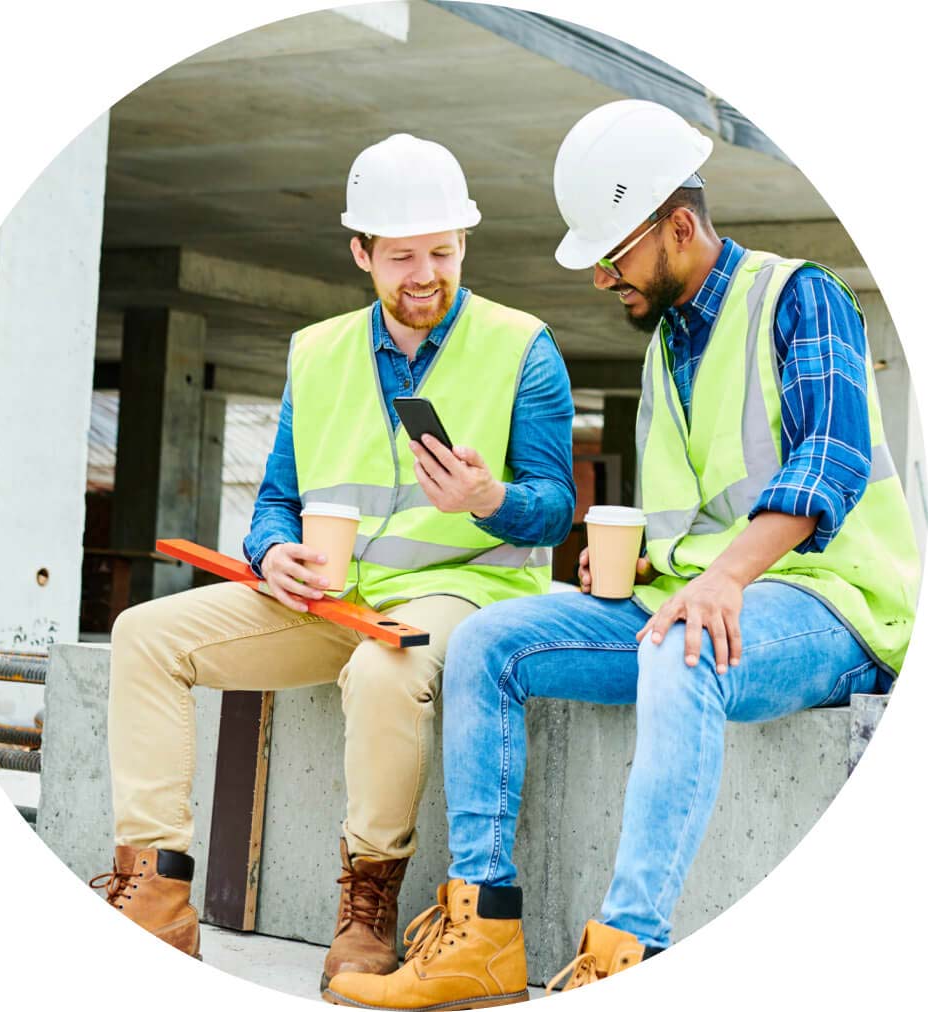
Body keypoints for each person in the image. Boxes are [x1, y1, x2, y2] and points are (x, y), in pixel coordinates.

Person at [323, 101, 920, 1010]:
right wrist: (648, 563)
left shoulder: (800, 297)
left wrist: (718, 579)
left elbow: (829, 459)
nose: (603, 279)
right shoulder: (667, 345)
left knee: (684, 651)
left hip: (835, 605)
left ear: (680, 226)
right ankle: (482, 928)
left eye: (615, 255)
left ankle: (628, 955)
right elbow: (702, 511)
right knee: (492, 643)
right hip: (697, 592)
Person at [89, 132, 576, 991]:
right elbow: (278, 494)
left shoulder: (523, 345)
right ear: (361, 253)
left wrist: (488, 499)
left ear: (464, 242)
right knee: (143, 634)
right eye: (401, 257)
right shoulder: (316, 352)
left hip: (461, 592)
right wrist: (272, 549)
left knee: (385, 671)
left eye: (442, 251)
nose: (424, 274)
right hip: (329, 596)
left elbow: (555, 502)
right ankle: (157, 898)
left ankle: (368, 903)